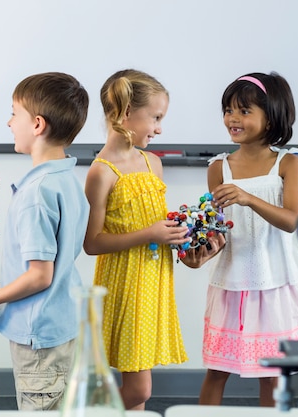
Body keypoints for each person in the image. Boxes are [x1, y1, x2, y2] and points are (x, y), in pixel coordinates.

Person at [83, 69, 220, 410]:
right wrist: (151, 234)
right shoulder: (101, 172)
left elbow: (155, 226)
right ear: (126, 112)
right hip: (124, 282)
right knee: (140, 390)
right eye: (155, 118)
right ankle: (83, 407)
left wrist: (182, 240)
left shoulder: (152, 163)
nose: (159, 128)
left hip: (153, 280)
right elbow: (92, 243)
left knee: (138, 385)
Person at [0, 72, 90, 411]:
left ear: (37, 124)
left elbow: (40, 276)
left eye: (13, 113)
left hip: (38, 338)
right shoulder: (65, 178)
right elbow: (53, 263)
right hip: (61, 325)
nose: (9, 122)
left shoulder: (36, 193)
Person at [198, 72, 298, 406]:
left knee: (272, 371)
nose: (232, 119)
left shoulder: (288, 164)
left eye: (244, 111)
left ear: (271, 118)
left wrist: (249, 198)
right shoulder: (218, 167)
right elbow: (218, 231)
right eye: (228, 110)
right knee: (216, 369)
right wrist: (200, 251)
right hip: (232, 282)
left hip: (276, 281)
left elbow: (293, 220)